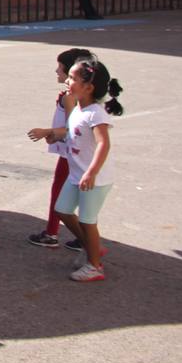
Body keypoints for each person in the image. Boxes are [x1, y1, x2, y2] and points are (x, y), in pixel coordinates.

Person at [45, 57, 123, 282]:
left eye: (72, 78)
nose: (67, 81)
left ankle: (95, 266)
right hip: (76, 175)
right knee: (62, 210)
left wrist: (92, 172)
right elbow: (73, 134)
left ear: (89, 87)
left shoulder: (96, 113)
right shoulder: (78, 109)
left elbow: (103, 143)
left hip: (94, 179)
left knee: (88, 221)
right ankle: (91, 248)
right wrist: (52, 135)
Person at [25, 47, 93, 249]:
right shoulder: (79, 95)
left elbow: (73, 127)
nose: (57, 71)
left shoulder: (69, 97)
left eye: (61, 68)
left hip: (72, 154)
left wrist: (48, 132)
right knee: (75, 197)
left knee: (60, 193)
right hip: (75, 151)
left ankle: (54, 233)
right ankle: (79, 237)